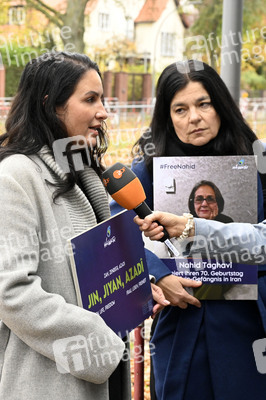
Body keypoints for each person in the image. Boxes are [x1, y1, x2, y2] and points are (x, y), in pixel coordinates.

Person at [0, 51, 168, 400]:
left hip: (97, 376)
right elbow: (13, 292)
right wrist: (101, 344)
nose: (103, 111)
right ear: (51, 105)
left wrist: (135, 289)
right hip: (47, 381)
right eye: (90, 99)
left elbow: (90, 272)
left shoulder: (83, 175)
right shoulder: (16, 177)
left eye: (102, 99)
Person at [111, 59, 265, 400]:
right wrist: (156, 276)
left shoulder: (258, 162)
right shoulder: (147, 171)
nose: (194, 117)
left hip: (251, 324)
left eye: (203, 104)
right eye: (180, 109)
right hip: (182, 324)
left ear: (221, 105)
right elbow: (116, 238)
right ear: (167, 118)